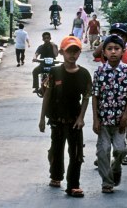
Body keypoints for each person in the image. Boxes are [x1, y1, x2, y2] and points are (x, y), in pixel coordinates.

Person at [39, 36, 92, 198]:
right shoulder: (54, 72)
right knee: (57, 148)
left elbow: (87, 97)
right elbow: (47, 95)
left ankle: (73, 185)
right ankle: (56, 176)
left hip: (74, 119)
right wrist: (42, 118)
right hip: (56, 118)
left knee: (76, 153)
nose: (72, 54)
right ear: (62, 52)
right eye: (69, 51)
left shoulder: (84, 74)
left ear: (79, 53)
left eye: (76, 51)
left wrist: (81, 117)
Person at [92, 34, 127, 194]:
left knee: (121, 150)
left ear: (123, 51)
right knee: (102, 151)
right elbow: (95, 96)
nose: (113, 52)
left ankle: (115, 167)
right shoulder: (99, 71)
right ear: (104, 52)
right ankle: (107, 182)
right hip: (103, 120)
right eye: (109, 49)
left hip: (120, 121)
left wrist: (126, 115)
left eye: (116, 48)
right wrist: (95, 119)